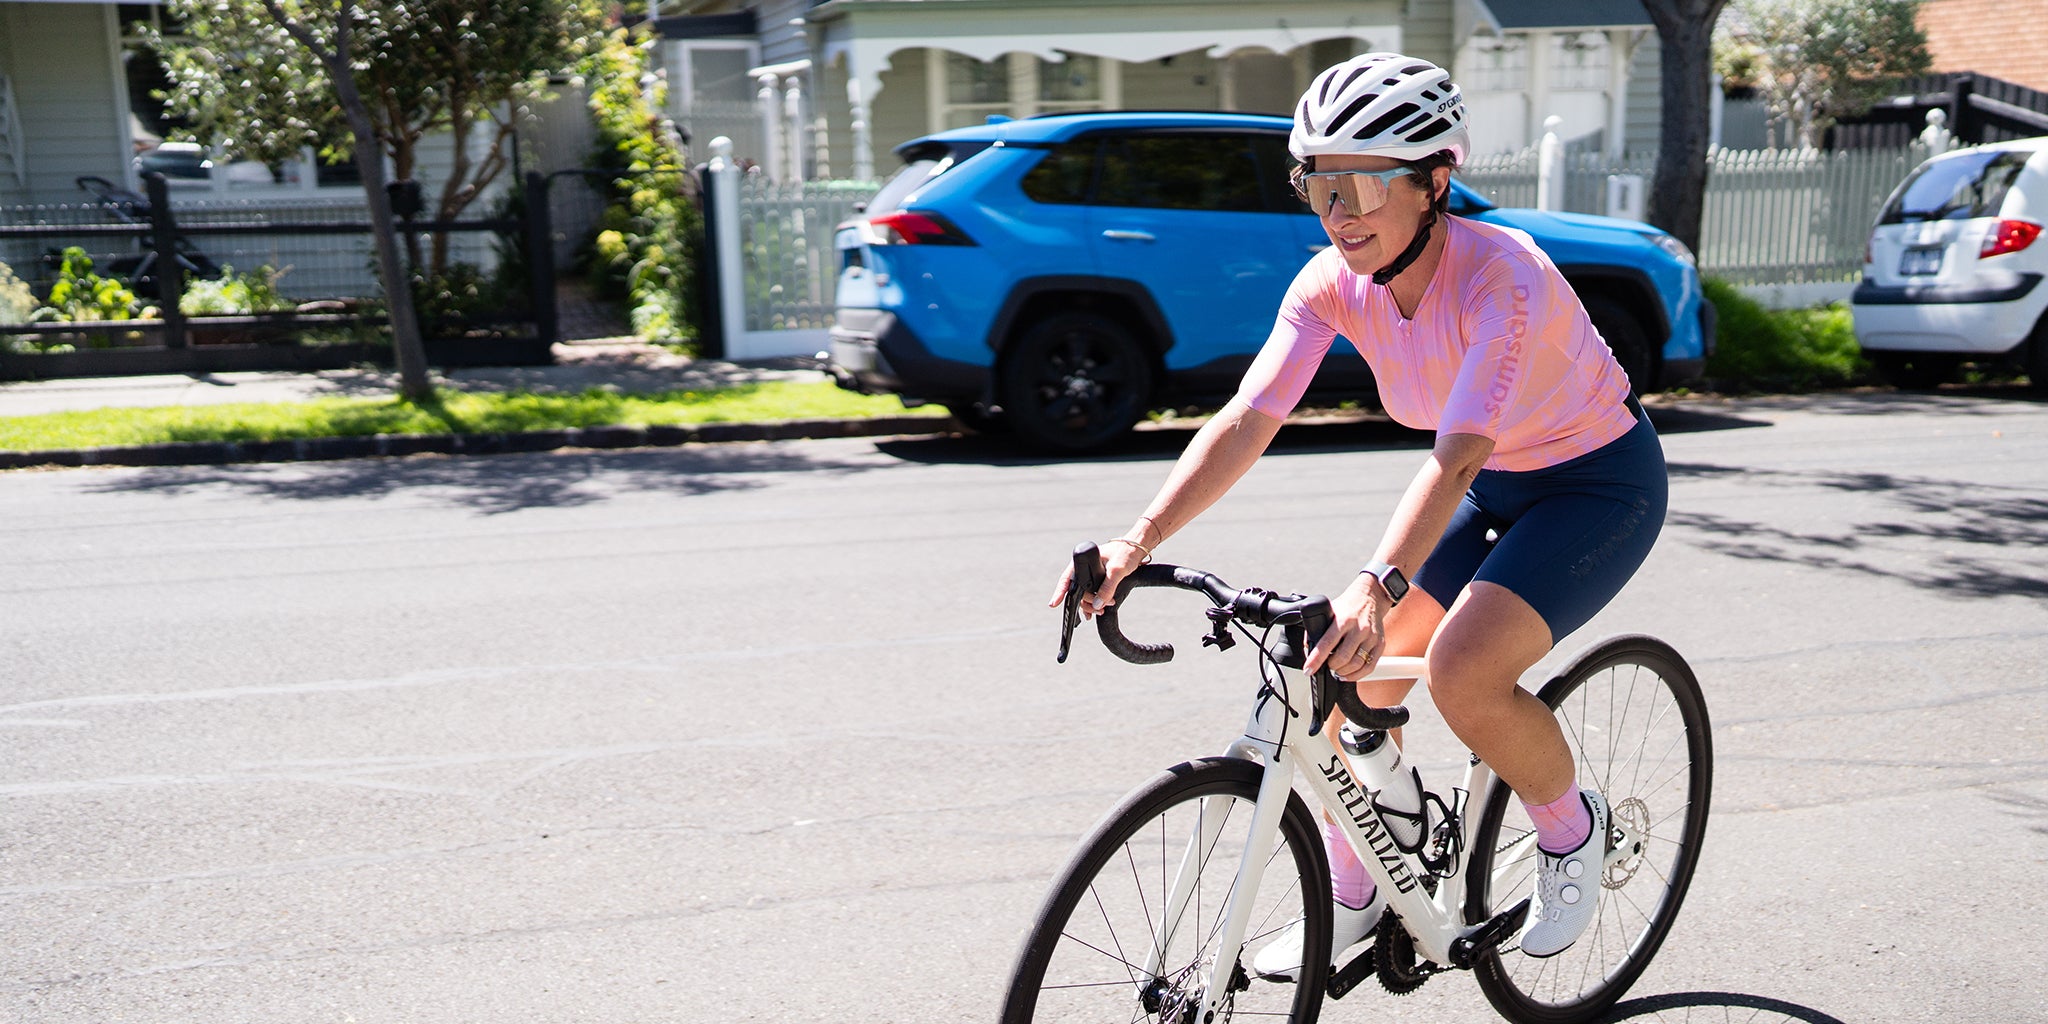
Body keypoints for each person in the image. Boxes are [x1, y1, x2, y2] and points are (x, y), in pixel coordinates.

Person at [1048, 52, 1668, 972]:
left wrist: (1378, 587)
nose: (1340, 212)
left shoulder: (1505, 276)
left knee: (1461, 672)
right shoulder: (1329, 284)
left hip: (1596, 485)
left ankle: (1574, 830)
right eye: (1319, 184)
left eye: (1366, 184)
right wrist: (1136, 542)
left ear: (1435, 182)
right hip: (1490, 486)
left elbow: (1456, 454)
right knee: (1343, 687)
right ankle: (1360, 883)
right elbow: (1248, 418)